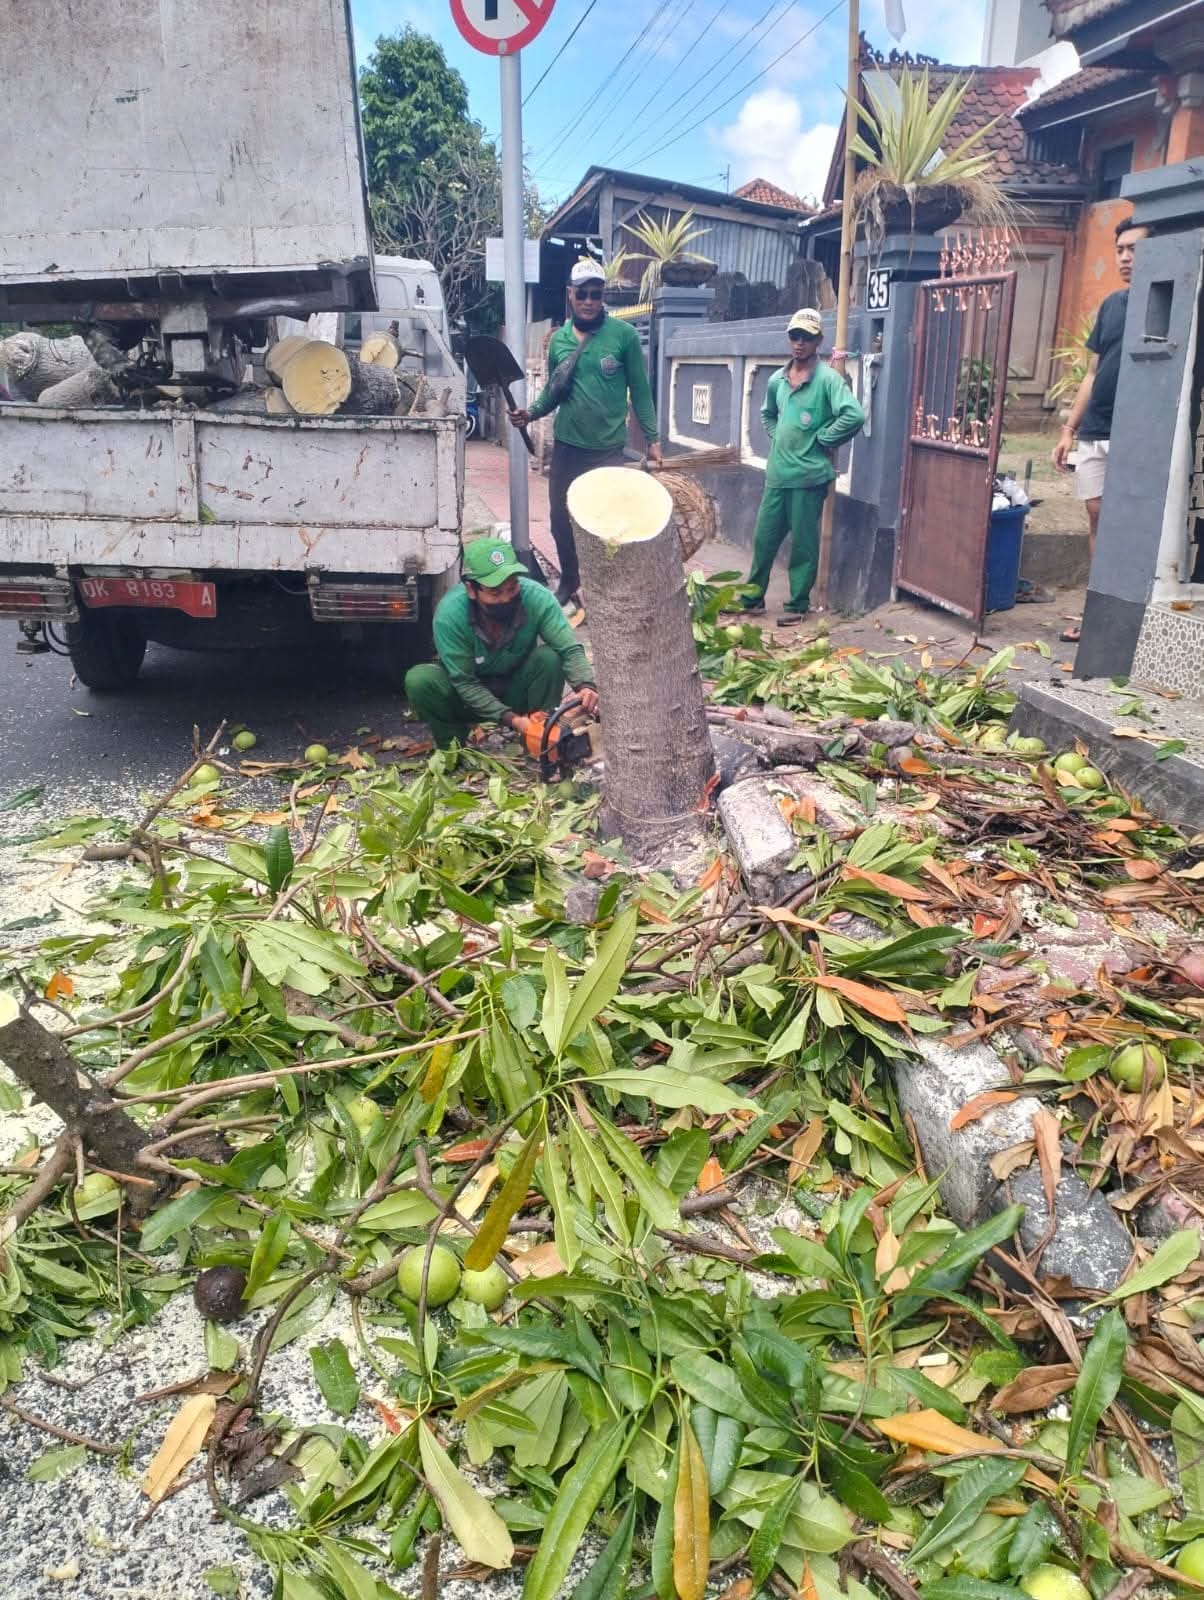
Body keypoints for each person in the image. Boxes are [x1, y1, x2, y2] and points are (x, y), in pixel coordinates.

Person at [509, 259, 662, 607]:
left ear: (602, 295)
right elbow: (553, 391)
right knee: (561, 521)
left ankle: (603, 587)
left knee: (606, 524)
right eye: (583, 294)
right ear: (571, 295)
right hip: (568, 448)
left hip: (608, 450)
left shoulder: (622, 337)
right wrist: (529, 413)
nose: (590, 301)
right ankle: (569, 581)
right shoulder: (560, 340)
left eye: (596, 294)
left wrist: (653, 440)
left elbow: (640, 391)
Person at [1052, 217, 1150, 642]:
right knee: (1097, 518)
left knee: (1128, 522)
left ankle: (1131, 616)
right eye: (1121, 250)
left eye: (1135, 248)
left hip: (1137, 432)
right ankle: (1099, 612)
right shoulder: (1112, 305)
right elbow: (1092, 372)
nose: (1126, 257)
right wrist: (1068, 429)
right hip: (1095, 429)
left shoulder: (1170, 301)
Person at [404, 535, 599, 749]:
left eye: (512, 588)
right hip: (466, 697)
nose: (506, 598)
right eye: (495, 592)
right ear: (471, 589)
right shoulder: (449, 615)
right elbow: (465, 682)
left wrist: (585, 686)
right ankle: (452, 746)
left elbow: (569, 649)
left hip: (517, 689)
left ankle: (540, 740)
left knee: (549, 657)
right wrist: (512, 720)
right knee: (419, 679)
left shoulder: (537, 598)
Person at [739, 308, 865, 626]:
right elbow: (768, 414)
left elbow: (853, 414)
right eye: (795, 336)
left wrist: (825, 437)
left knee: (804, 545)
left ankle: (797, 604)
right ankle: (753, 599)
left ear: (818, 341)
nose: (799, 343)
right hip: (778, 474)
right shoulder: (776, 380)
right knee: (764, 539)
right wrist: (778, 435)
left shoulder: (827, 380)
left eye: (806, 338)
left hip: (809, 477)